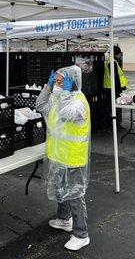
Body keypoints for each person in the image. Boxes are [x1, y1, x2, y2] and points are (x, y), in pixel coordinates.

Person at [36, 65, 91, 251]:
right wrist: (48, 88)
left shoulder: (79, 101)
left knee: (75, 195)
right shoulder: (59, 97)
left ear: (72, 82)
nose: (58, 83)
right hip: (58, 155)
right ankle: (64, 219)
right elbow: (40, 106)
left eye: (62, 80)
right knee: (60, 189)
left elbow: (67, 115)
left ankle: (81, 234)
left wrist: (65, 92)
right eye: (57, 80)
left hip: (73, 157)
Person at [103, 46, 128, 130]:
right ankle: (113, 126)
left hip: (110, 88)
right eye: (119, 53)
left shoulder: (111, 61)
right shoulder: (112, 62)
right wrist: (120, 87)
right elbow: (115, 77)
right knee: (114, 107)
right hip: (113, 89)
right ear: (117, 53)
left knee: (112, 107)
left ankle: (115, 125)